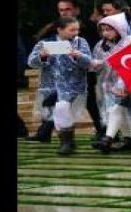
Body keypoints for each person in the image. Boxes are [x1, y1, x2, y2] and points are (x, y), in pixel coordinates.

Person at [27, 16, 93, 155]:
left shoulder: (81, 43)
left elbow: (89, 63)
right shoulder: (45, 43)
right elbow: (31, 62)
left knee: (64, 110)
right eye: (72, 30)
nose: (76, 33)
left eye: (77, 29)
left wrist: (78, 56)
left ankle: (68, 141)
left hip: (74, 86)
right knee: (60, 110)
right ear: (59, 30)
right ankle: (66, 142)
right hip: (51, 85)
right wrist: (42, 56)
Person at [89, 13, 131, 153]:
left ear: (119, 28)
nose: (105, 33)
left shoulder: (129, 43)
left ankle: (107, 139)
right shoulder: (101, 45)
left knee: (116, 109)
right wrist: (95, 65)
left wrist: (123, 84)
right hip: (108, 83)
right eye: (102, 30)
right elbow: (96, 61)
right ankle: (129, 140)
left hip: (127, 83)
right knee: (120, 111)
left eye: (109, 29)